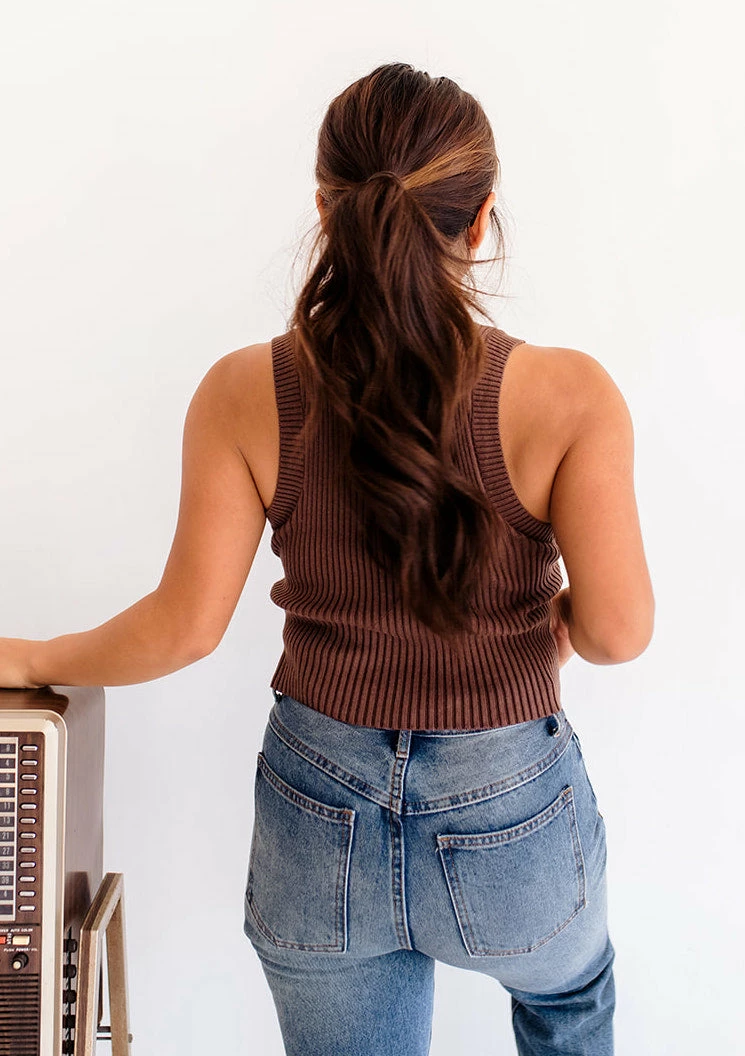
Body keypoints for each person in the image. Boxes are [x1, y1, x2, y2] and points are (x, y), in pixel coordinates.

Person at [0, 61, 654, 1056]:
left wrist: (32, 657)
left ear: (324, 210)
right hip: (509, 804)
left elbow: (184, 628)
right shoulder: (568, 396)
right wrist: (548, 630)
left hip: (319, 811)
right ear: (481, 221)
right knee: (568, 1003)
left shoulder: (244, 392)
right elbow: (617, 632)